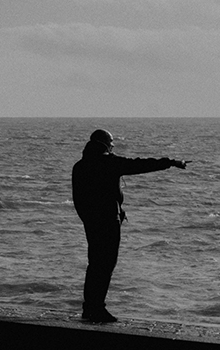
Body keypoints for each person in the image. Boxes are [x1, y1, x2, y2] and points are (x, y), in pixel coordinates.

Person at [72, 129, 187, 323]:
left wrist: (88, 219)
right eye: (112, 143)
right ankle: (97, 309)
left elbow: (79, 200)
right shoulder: (108, 162)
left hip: (91, 222)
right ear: (105, 144)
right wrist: (170, 162)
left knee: (94, 265)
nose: (113, 146)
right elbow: (139, 165)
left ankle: (89, 307)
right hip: (108, 222)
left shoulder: (80, 166)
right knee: (106, 265)